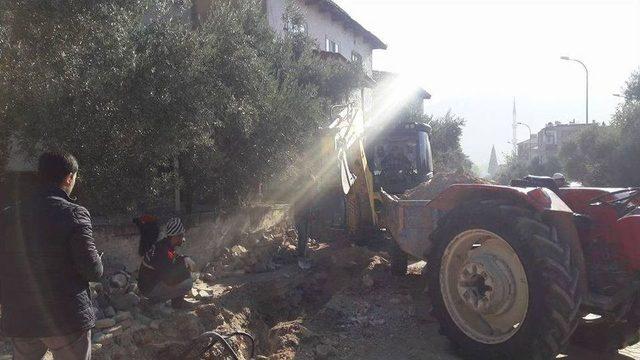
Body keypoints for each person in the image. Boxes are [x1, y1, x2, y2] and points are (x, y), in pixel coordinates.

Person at [0, 151, 103, 360]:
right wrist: (99, 260)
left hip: (22, 318)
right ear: (69, 177)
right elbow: (92, 270)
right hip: (66, 318)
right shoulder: (75, 214)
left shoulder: (8, 215)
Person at [137, 217, 196, 309]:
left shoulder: (165, 245)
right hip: (149, 289)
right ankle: (155, 302)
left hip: (150, 283)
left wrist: (185, 258)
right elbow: (169, 279)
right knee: (187, 282)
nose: (183, 239)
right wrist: (185, 272)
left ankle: (176, 303)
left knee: (182, 272)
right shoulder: (162, 251)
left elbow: (173, 259)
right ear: (176, 236)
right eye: (181, 236)